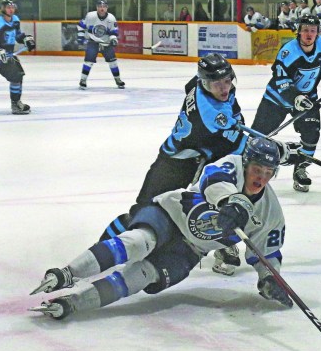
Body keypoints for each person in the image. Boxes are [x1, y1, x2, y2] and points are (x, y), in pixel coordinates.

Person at [29, 137, 294, 320]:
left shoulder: (270, 213)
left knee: (142, 275)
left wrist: (270, 278)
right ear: (247, 164)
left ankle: (72, 304)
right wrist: (231, 203)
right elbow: (212, 179)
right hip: (171, 214)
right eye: (257, 169)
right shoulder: (232, 165)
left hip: (192, 249)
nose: (260, 177)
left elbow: (267, 252)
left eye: (268, 172)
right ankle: (66, 273)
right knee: (136, 242)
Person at [97, 53, 297, 276]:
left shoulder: (203, 86)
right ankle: (102, 249)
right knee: (141, 213)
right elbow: (244, 148)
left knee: (215, 202)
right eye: (216, 84)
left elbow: (190, 87)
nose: (224, 89)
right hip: (175, 162)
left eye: (227, 81)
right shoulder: (212, 115)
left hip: (200, 158)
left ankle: (223, 245)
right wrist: (281, 151)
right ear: (204, 82)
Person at [251, 15, 321, 193]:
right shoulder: (288, 52)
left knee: (311, 135)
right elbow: (281, 79)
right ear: (299, 32)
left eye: (312, 30)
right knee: (257, 137)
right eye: (305, 30)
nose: (308, 34)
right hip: (276, 99)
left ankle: (300, 168)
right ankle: (245, 171)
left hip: (308, 99)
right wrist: (295, 97)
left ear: (318, 33)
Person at [0, 0, 35, 115]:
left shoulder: (15, 20)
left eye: (12, 7)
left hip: (8, 55)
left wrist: (25, 39)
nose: (11, 9)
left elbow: (17, 35)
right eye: (8, 7)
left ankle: (16, 103)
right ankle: (15, 104)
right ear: (3, 9)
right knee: (16, 77)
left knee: (18, 77)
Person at [77, 0, 124, 90]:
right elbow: (80, 26)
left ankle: (118, 80)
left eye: (104, 7)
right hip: (93, 41)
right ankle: (83, 80)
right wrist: (81, 38)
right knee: (88, 62)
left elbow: (114, 32)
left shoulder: (111, 18)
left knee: (113, 62)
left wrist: (113, 39)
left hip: (106, 43)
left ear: (107, 8)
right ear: (97, 7)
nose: (102, 8)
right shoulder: (90, 16)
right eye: (100, 6)